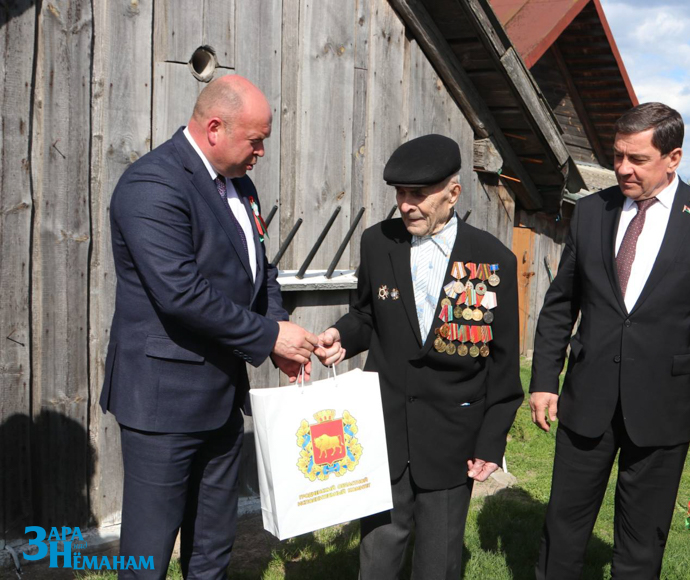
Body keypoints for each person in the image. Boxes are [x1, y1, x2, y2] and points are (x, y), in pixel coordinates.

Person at [529, 102, 690, 579]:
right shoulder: (592, 211)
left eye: (637, 159)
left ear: (673, 158)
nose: (622, 169)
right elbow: (560, 304)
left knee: (641, 541)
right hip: (588, 396)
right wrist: (545, 380)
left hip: (664, 405)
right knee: (563, 527)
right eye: (618, 156)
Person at [100, 74, 318, 579]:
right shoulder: (152, 184)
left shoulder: (241, 185)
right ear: (215, 128)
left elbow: (260, 272)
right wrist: (269, 337)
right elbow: (181, 293)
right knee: (148, 554)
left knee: (213, 547)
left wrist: (278, 328)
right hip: (163, 404)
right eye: (255, 140)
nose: (261, 152)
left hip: (221, 398)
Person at [314, 134, 523, 580]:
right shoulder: (378, 243)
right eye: (400, 194)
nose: (406, 205)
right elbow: (366, 314)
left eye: (419, 194)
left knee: (438, 561)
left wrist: (491, 441)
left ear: (453, 193)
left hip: (451, 437)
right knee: (378, 554)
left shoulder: (492, 260)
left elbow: (504, 364)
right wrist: (341, 335)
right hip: (385, 428)